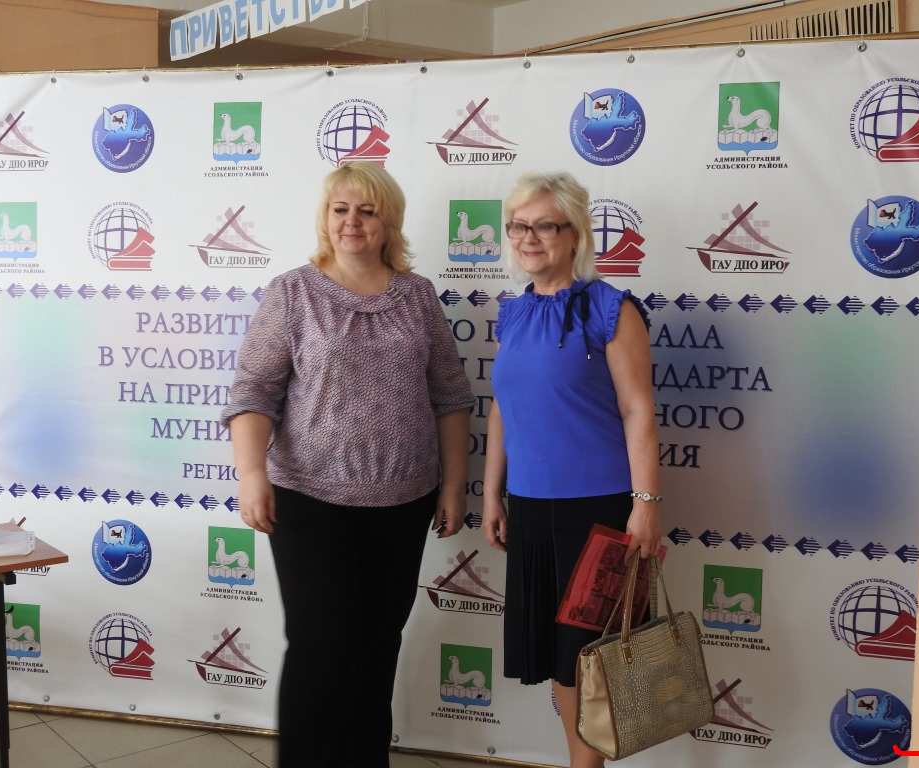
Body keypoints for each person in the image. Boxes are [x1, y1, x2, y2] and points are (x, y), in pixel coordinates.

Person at [221, 161, 474, 768]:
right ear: (325, 218)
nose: (352, 222)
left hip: (404, 502)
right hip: (309, 502)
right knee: (321, 650)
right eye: (340, 210)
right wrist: (251, 475)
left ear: (390, 223)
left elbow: (450, 395)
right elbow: (254, 390)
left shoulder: (418, 296)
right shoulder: (293, 293)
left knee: (377, 647)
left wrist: (454, 486)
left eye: (367, 211)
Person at [481, 171, 663, 768]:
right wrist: (492, 495)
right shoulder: (512, 314)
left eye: (543, 226)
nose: (527, 238)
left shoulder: (611, 308)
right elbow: (503, 408)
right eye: (517, 226)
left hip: (599, 512)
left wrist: (646, 505)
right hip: (531, 508)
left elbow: (638, 411)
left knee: (592, 656)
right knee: (559, 659)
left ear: (575, 233)